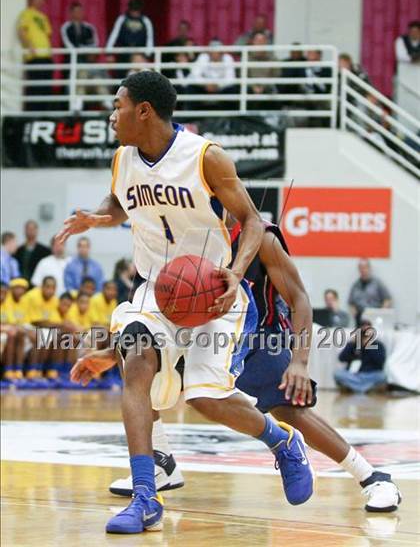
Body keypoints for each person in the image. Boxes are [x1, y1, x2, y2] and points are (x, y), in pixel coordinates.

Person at [57, 70, 314, 534]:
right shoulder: (123, 159)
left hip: (211, 292)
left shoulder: (205, 157)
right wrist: (97, 219)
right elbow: (120, 204)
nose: (111, 115)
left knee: (205, 398)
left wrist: (235, 275)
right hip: (157, 290)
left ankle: (283, 442)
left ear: (144, 111)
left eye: (118, 106)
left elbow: (252, 222)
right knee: (136, 361)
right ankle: (145, 497)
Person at [73, 219, 401, 513]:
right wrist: (108, 351)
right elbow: (150, 315)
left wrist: (299, 362)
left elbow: (300, 297)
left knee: (289, 409)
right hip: (200, 333)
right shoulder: (183, 235)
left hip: (261, 336)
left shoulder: (261, 238)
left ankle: (372, 476)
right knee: (143, 363)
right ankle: (161, 463)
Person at [17, 0, 53, 111]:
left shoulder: (43, 17)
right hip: (34, 56)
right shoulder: (26, 13)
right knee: (34, 87)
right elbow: (22, 30)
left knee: (45, 88)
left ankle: (44, 113)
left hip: (46, 56)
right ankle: (32, 112)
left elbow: (48, 34)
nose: (40, 1)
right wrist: (29, 46)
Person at [335, 319, 388, 394]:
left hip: (371, 375)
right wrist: (351, 345)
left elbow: (380, 362)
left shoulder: (378, 345)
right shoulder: (353, 344)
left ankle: (355, 388)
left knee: (382, 376)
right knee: (338, 374)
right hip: (354, 375)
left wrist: (368, 345)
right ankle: (365, 389)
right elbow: (341, 358)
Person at [106, 0, 154, 73]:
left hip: (140, 55)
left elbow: (150, 39)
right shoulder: (122, 19)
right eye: (133, 9)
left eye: (137, 10)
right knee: (122, 77)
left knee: (142, 74)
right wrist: (109, 53)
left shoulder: (146, 21)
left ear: (140, 10)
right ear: (129, 9)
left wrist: (146, 55)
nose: (135, 12)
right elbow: (114, 35)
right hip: (124, 54)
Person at [348, 259, 392, 324]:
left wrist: (381, 313)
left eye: (365, 267)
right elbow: (351, 302)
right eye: (360, 268)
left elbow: (387, 299)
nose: (363, 270)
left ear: (369, 268)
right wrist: (354, 313)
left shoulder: (377, 283)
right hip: (360, 319)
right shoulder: (355, 285)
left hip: (374, 317)